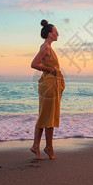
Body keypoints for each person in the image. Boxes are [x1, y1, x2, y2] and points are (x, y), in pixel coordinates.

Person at [30, 19, 65, 159]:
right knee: (45, 116)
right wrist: (50, 70)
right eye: (56, 32)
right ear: (50, 34)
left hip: (52, 86)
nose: (58, 34)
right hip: (48, 86)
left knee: (50, 117)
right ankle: (35, 146)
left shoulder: (49, 48)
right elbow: (34, 64)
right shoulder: (45, 47)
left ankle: (49, 148)